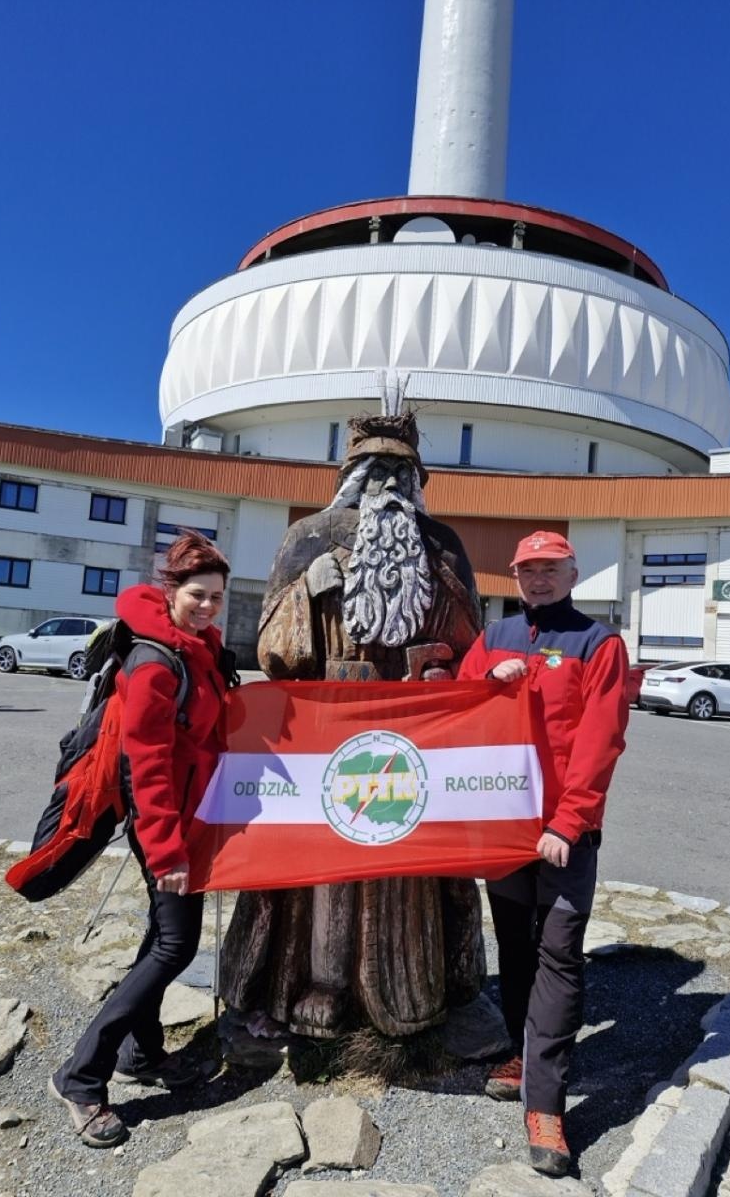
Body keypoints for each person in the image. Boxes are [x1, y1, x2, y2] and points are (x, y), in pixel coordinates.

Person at [220, 411, 485, 1040]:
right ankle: (320, 982)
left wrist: (440, 641)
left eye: (402, 470)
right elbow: (273, 652)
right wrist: (308, 591)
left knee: (409, 861)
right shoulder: (308, 537)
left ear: (418, 479)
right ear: (351, 475)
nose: (389, 482)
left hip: (415, 735)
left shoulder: (443, 544)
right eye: (376, 468)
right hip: (327, 733)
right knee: (326, 868)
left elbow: (469, 639)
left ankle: (413, 986)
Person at [49, 532, 232, 1148]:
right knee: (174, 947)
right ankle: (81, 1076)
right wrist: (167, 852)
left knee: (161, 938)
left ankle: (142, 1052)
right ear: (170, 592)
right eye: (197, 595)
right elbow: (145, 767)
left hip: (188, 822)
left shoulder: (197, 648)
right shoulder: (156, 663)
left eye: (216, 598)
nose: (208, 607)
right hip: (165, 831)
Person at [457, 530, 629, 1177]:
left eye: (551, 568)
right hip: (504, 829)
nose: (539, 579)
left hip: (564, 834)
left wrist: (570, 820)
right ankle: (522, 1054)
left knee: (559, 954)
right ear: (515, 576)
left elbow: (600, 740)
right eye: (529, 570)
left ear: (572, 572)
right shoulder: (495, 636)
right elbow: (457, 705)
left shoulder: (599, 643)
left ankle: (546, 1102)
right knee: (516, 949)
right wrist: (484, 677)